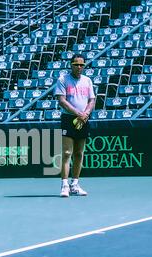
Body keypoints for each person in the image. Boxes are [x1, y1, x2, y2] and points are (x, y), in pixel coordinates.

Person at [54, 54, 96, 197]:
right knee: (67, 153)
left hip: (83, 120)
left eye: (81, 65)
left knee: (79, 153)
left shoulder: (87, 81)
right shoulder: (63, 80)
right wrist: (78, 112)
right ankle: (64, 185)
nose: (79, 67)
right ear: (71, 65)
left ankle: (75, 184)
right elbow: (62, 101)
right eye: (76, 64)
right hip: (68, 119)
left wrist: (86, 113)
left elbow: (92, 100)